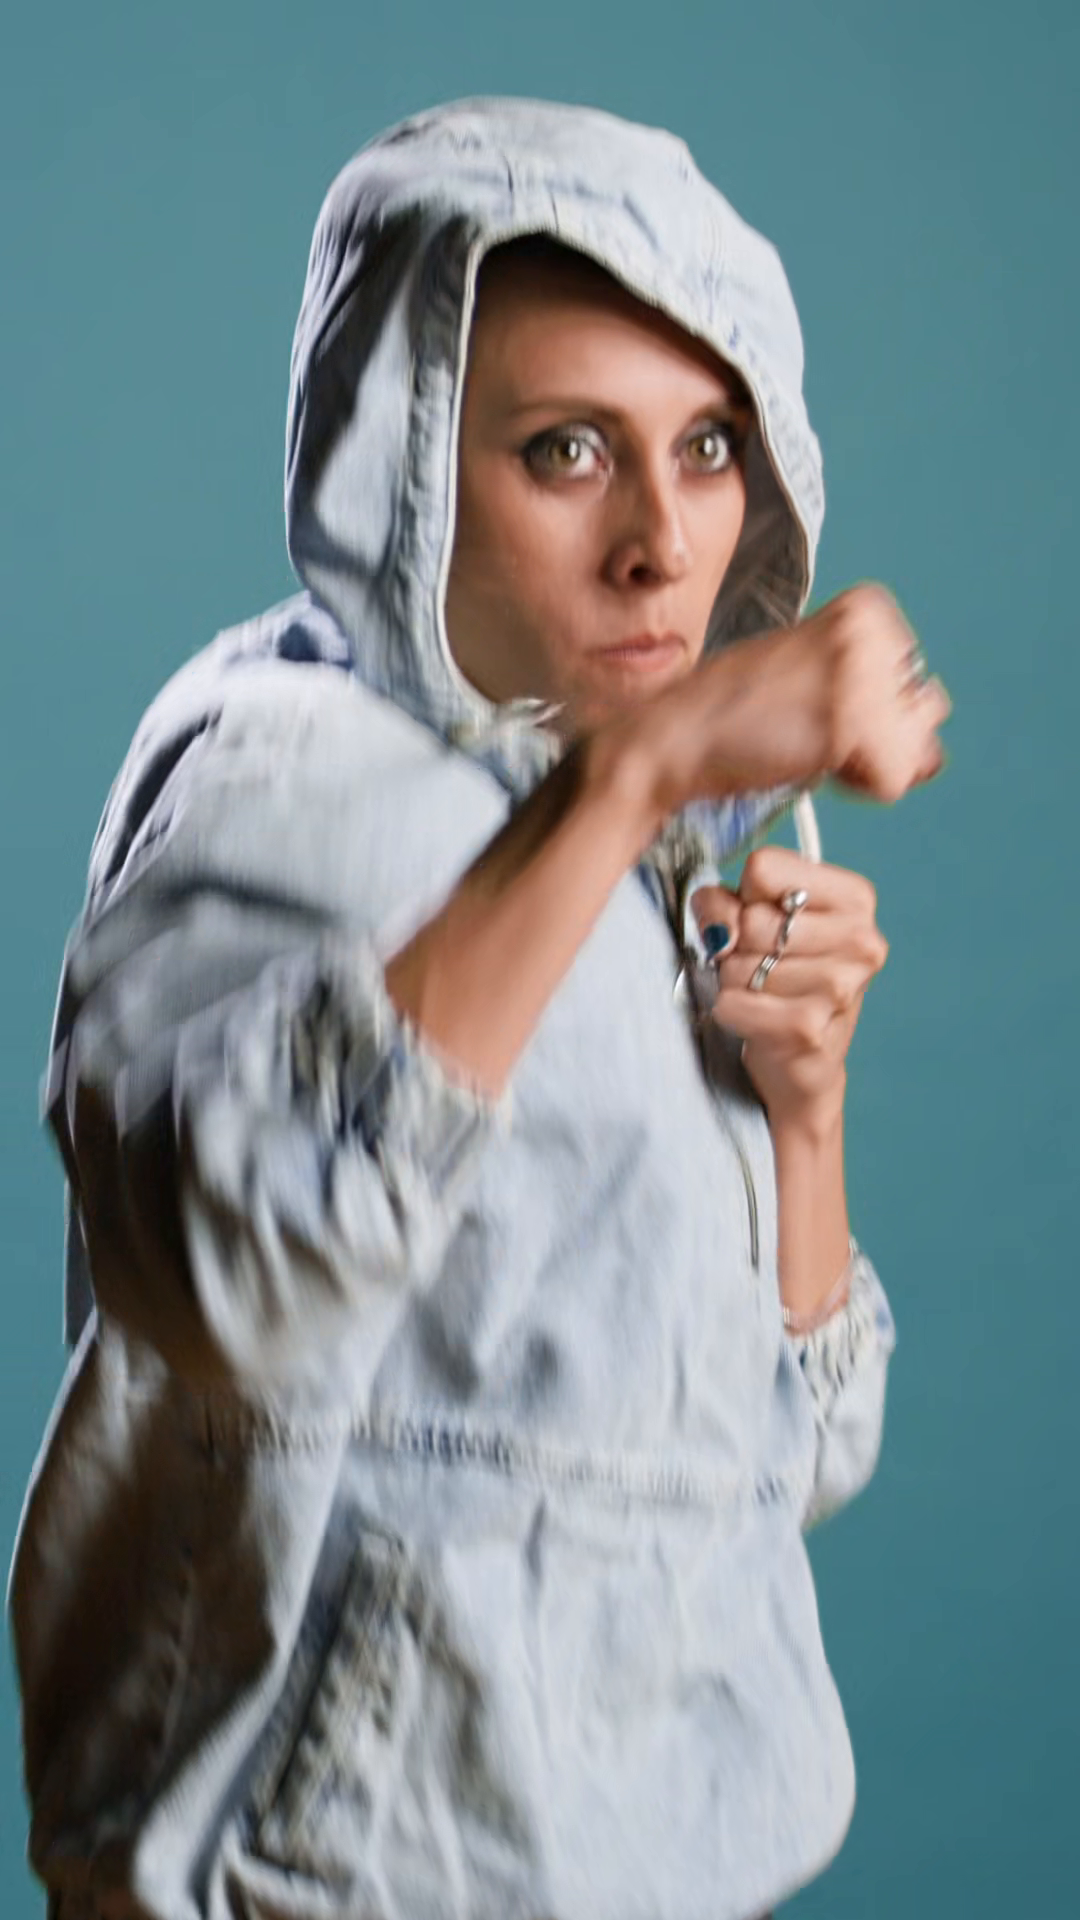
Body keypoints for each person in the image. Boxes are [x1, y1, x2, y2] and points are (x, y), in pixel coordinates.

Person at [9, 97, 950, 1920]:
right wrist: (635, 777)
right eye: (567, 448)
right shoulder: (282, 773)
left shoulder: (648, 827)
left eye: (708, 447)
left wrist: (802, 1114)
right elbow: (221, 1270)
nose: (661, 544)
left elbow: (776, 1467)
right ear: (412, 459)